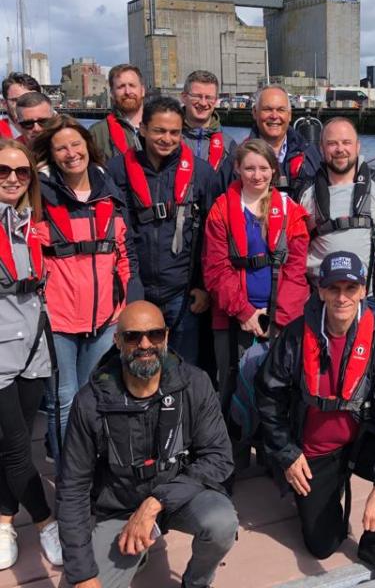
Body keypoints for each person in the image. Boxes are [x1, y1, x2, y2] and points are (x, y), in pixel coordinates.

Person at [255, 250, 375, 588]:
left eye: (350, 288)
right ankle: (322, 498)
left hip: (359, 441)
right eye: (334, 288)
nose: (342, 297)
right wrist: (286, 453)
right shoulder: (296, 338)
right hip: (312, 451)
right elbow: (268, 398)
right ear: (321, 291)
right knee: (322, 545)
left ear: (362, 291)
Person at [56, 300, 238, 588]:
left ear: (165, 337)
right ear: (117, 341)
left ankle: (197, 582)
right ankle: (135, 554)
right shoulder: (90, 402)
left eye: (154, 334)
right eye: (132, 337)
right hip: (120, 509)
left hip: (180, 496)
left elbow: (218, 457)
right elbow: (73, 488)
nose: (145, 344)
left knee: (222, 523)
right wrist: (82, 574)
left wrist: (156, 502)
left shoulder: (195, 384)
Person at [33, 115, 143, 466]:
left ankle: (91, 468)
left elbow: (123, 251)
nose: (70, 153)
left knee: (92, 396)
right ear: (51, 154)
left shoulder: (108, 190)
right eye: (61, 147)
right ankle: (70, 477)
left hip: (104, 319)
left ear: (87, 147)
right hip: (59, 319)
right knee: (63, 399)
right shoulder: (39, 195)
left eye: (76, 145)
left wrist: (126, 303)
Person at [106, 96, 219, 365]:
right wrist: (128, 289)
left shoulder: (201, 174)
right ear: (143, 129)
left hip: (183, 293)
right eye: (159, 130)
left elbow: (211, 237)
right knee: (137, 364)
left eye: (174, 132)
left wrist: (202, 287)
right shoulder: (116, 171)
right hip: (136, 289)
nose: (167, 138)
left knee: (183, 366)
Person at [203, 139, 309, 420]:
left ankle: (271, 457)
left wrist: (278, 319)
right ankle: (233, 456)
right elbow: (215, 270)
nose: (257, 175)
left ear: (274, 170)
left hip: (280, 320)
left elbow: (297, 272)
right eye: (249, 168)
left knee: (278, 390)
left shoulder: (292, 213)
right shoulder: (220, 211)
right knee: (231, 387)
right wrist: (245, 313)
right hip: (233, 318)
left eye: (264, 168)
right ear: (237, 168)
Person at [0, 138, 62, 570]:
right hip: (0, 354)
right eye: (3, 171)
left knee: (13, 443)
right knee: (18, 448)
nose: (13, 179)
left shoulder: (30, 224)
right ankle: (44, 522)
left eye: (22, 173)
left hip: (34, 348)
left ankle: (4, 520)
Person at [298, 118, 375, 333]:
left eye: (346, 142)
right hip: (323, 300)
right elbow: (292, 248)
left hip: (373, 299)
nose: (340, 149)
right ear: (321, 148)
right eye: (332, 143)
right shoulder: (305, 192)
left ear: (357, 146)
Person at [247, 85, 321, 199]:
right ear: (255, 113)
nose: (274, 116)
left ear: (290, 115)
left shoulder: (311, 155)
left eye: (281, 110)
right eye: (267, 109)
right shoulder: (239, 158)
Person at [181, 70, 237, 190]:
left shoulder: (229, 145)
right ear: (184, 97)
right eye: (197, 96)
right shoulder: (168, 140)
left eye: (209, 97)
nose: (203, 102)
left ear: (216, 101)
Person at [89, 64, 144, 161]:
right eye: (121, 87)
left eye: (132, 85)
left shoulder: (162, 127)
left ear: (142, 90)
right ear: (112, 94)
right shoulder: (97, 133)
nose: (127, 91)